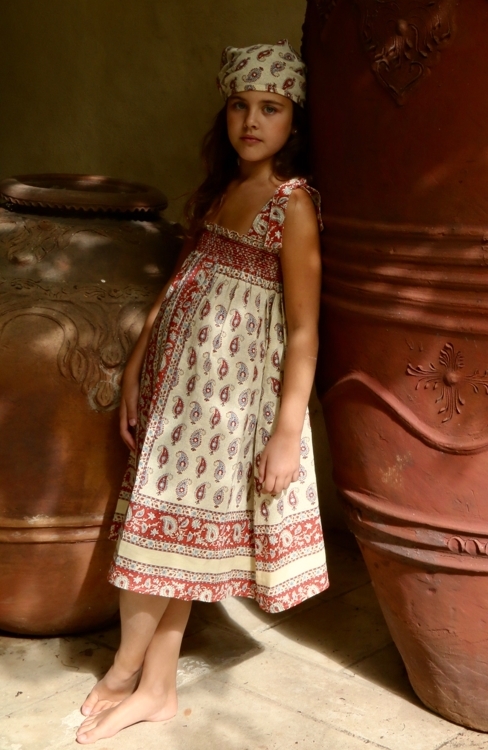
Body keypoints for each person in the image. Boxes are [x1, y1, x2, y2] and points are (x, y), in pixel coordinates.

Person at [76, 40, 328, 744]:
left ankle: (125, 670)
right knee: (175, 541)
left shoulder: (292, 206)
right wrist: (137, 363)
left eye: (271, 108)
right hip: (176, 391)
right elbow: (182, 279)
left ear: (293, 121)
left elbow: (304, 330)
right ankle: (157, 691)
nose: (252, 121)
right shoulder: (222, 191)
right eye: (241, 105)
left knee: (164, 531)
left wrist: (286, 432)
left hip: (227, 405)